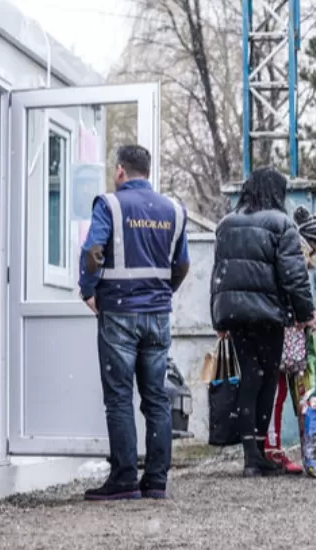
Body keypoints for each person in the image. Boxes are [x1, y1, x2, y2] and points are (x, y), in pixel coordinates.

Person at [78, 145, 190, 500]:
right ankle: (156, 479)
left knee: (119, 397)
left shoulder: (109, 204)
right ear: (149, 171)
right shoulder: (173, 209)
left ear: (120, 171)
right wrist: (161, 293)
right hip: (157, 316)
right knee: (156, 396)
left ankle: (125, 476)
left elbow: (94, 251)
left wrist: (88, 290)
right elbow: (183, 264)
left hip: (119, 313)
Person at [212, 166, 316, 477]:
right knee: (267, 380)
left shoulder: (226, 224)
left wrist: (217, 316)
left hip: (235, 314)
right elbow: (294, 275)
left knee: (248, 379)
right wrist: (305, 313)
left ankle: (250, 456)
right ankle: (259, 451)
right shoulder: (281, 224)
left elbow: (217, 274)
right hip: (268, 314)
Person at [264, 206, 316, 474]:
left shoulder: (293, 253)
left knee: (281, 391)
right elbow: (296, 290)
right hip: (287, 331)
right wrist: (307, 315)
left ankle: (271, 445)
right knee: (279, 391)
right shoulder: (297, 257)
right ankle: (272, 447)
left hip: (285, 328)